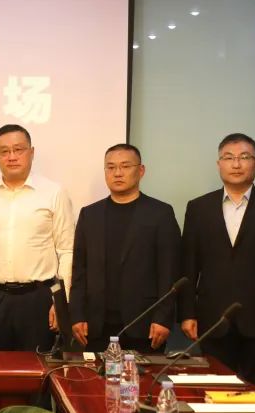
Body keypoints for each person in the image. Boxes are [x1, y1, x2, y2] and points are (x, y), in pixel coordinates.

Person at [180, 133, 255, 385]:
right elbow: (188, 265)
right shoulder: (199, 208)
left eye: (244, 157)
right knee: (215, 389)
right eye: (228, 157)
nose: (236, 164)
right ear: (218, 164)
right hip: (214, 319)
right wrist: (187, 313)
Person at [0, 123, 74, 352]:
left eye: (18, 149)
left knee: (38, 368)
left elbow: (67, 250)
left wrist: (61, 302)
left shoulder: (54, 192)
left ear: (31, 152)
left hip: (38, 299)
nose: (11, 157)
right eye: (4, 151)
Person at [69, 144, 181, 353]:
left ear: (141, 170)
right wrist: (76, 314)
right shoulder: (89, 214)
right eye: (111, 167)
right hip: (96, 325)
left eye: (125, 166)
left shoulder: (160, 213)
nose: (117, 173)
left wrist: (163, 318)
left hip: (145, 324)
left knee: (145, 375)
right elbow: (79, 271)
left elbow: (169, 271)